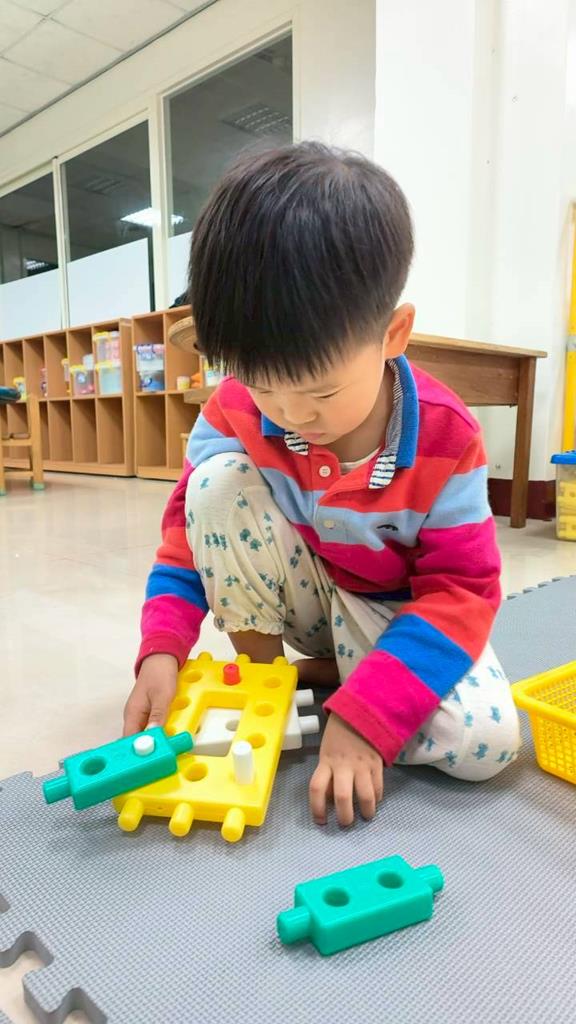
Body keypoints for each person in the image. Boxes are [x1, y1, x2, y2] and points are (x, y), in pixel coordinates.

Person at [123, 142, 520, 828]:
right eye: (261, 385)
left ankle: (347, 676)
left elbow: (462, 591)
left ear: (393, 334)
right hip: (303, 594)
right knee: (214, 485)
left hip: (394, 612)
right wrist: (162, 647)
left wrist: (369, 718)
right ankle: (266, 679)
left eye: (321, 392)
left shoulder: (447, 437)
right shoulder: (234, 409)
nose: (290, 414)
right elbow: (186, 539)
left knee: (487, 741)